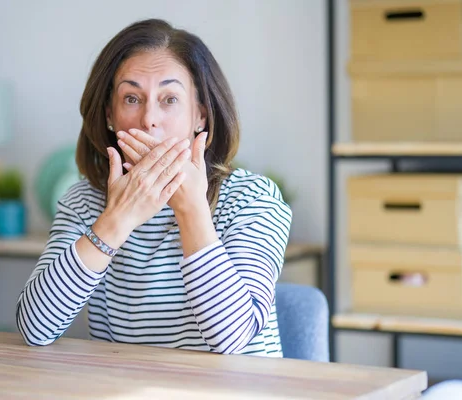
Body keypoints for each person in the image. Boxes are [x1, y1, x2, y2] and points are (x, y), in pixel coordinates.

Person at [16, 19, 292, 357]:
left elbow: (232, 340)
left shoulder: (253, 199)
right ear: (109, 116)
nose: (149, 119)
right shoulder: (84, 202)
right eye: (132, 98)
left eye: (169, 99)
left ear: (200, 117)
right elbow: (34, 329)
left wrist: (190, 209)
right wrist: (116, 220)